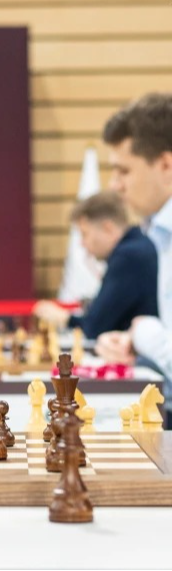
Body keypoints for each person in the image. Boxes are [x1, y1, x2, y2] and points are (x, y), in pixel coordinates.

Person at [94, 95, 172, 374]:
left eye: (123, 171)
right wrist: (134, 342)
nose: (115, 186)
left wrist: (145, 333)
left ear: (165, 165)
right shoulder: (159, 233)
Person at [33, 191, 157, 338]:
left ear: (108, 228)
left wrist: (63, 317)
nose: (82, 243)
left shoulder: (127, 257)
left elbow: (94, 327)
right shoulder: (138, 246)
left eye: (85, 234)